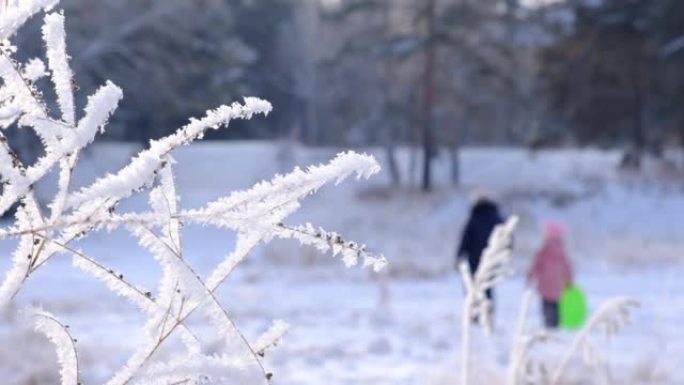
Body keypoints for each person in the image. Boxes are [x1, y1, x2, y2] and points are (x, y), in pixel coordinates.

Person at [456, 191, 504, 303]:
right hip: (492, 258)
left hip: (475, 259)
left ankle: (476, 313)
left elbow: (466, 239)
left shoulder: (475, 218)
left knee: (473, 287)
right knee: (487, 287)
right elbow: (506, 237)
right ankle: (487, 312)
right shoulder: (496, 217)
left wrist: (459, 255)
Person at [527, 220, 574, 329]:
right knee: (556, 304)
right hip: (558, 284)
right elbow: (567, 267)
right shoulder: (562, 251)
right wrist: (569, 280)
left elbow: (536, 265)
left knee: (547, 304)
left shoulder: (543, 250)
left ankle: (549, 323)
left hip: (545, 284)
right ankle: (556, 322)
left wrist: (530, 276)